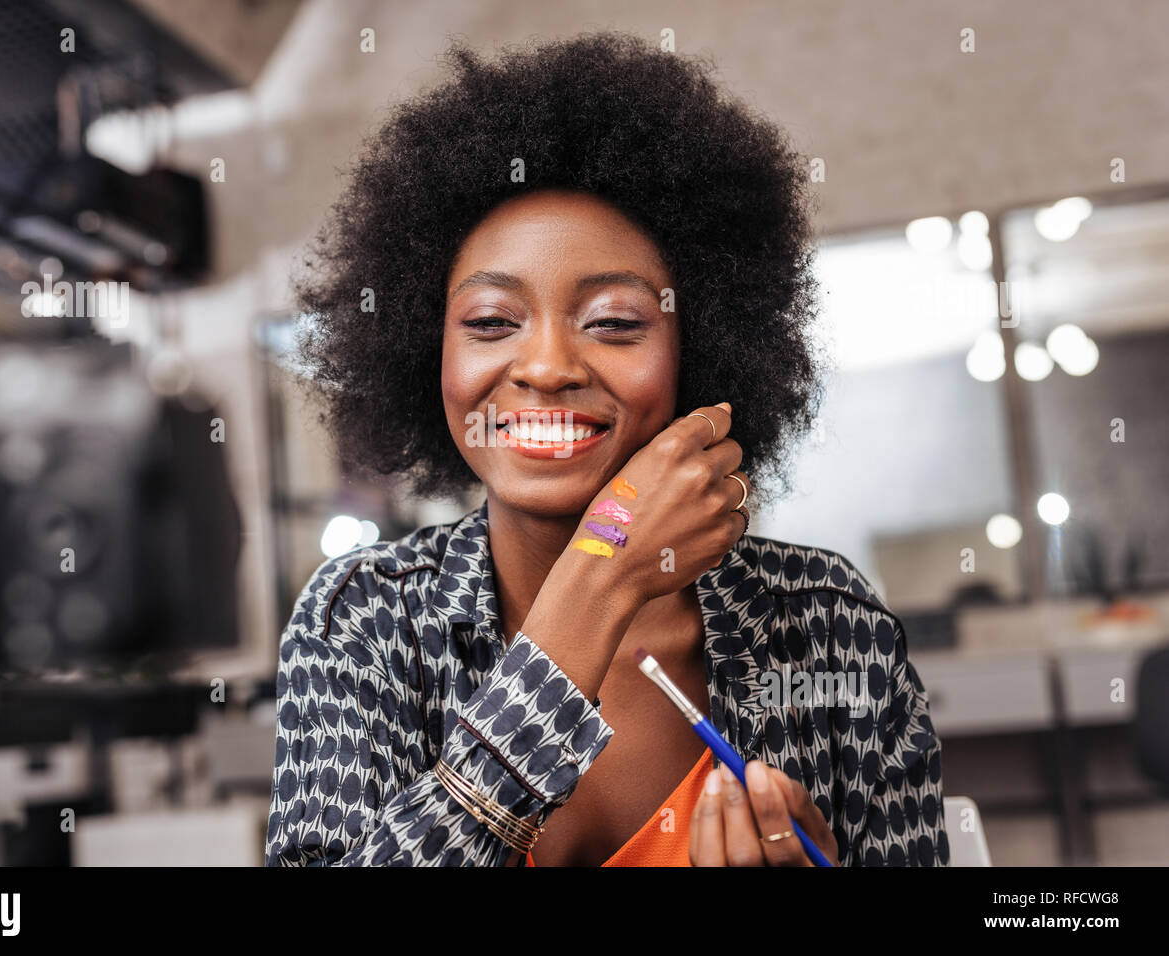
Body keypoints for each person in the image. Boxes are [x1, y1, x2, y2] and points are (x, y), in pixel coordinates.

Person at [266, 31, 948, 867]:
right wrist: (607, 570)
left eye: (615, 323)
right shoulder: (364, 621)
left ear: (700, 350)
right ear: (424, 350)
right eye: (489, 323)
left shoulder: (828, 625)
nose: (548, 367)